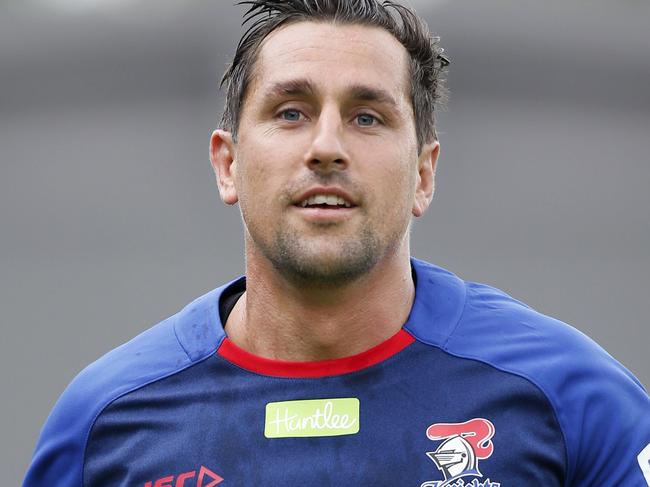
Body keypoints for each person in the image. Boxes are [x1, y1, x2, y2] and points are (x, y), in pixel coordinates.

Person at [23, 1, 650, 486]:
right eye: (291, 111)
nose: (326, 146)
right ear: (229, 165)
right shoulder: (105, 422)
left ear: (423, 174)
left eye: (367, 116)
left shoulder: (573, 399)